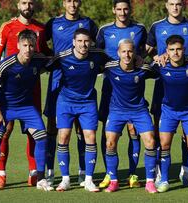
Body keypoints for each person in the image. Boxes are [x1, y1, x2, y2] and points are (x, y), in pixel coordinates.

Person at [0, 29, 53, 192]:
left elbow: (53, 60)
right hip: (6, 107)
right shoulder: (7, 64)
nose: (28, 49)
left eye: (31, 45)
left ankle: (41, 179)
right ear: (18, 45)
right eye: (25, 45)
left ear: (35, 46)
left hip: (27, 107)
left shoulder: (38, 59)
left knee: (42, 138)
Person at [146, 0, 188, 185]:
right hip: (163, 83)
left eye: (178, 4)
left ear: (183, 6)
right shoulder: (157, 26)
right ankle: (159, 172)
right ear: (166, 5)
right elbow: (146, 50)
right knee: (161, 130)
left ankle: (185, 168)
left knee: (187, 134)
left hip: (186, 82)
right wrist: (157, 56)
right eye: (171, 4)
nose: (175, 7)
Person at [45, 28, 108, 192]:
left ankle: (88, 180)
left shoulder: (98, 55)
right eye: (79, 41)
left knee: (90, 137)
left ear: (91, 42)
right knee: (63, 137)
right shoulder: (63, 56)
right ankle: (65, 179)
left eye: (86, 41)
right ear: (74, 42)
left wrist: (137, 59)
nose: (83, 44)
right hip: (66, 102)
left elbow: (118, 61)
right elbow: (44, 65)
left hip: (88, 103)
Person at [96, 0, 147, 189]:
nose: (123, 12)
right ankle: (111, 174)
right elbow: (97, 51)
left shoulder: (140, 28)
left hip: (133, 86)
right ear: (113, 10)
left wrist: (142, 57)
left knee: (133, 129)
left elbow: (146, 49)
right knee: (108, 131)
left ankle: (133, 174)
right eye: (119, 9)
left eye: (126, 8)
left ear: (130, 10)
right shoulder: (104, 30)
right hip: (110, 85)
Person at [153, 35, 188, 193]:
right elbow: (141, 68)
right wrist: (153, 57)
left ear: (184, 49)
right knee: (164, 145)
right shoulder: (160, 65)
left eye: (178, 49)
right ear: (167, 51)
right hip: (168, 111)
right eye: (172, 50)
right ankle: (164, 180)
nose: (175, 52)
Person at [103, 39, 157, 193]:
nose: (127, 55)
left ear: (135, 53)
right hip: (117, 111)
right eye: (124, 51)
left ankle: (150, 182)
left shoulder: (143, 69)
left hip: (139, 110)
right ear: (118, 53)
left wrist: (158, 57)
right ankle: (113, 181)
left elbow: (159, 71)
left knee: (151, 142)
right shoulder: (110, 67)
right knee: (110, 144)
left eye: (130, 51)